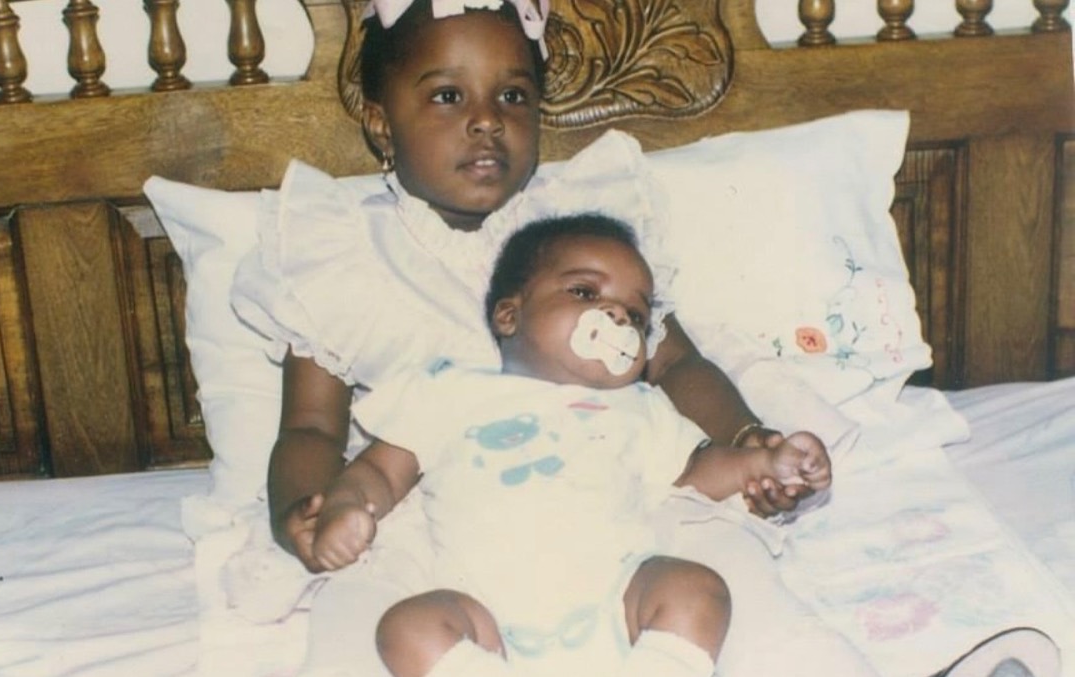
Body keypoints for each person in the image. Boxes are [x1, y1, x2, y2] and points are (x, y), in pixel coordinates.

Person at [228, 0, 1062, 674]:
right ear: (381, 122)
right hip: (429, 514)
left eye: (513, 96)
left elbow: (677, 361)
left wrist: (746, 440)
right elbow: (310, 428)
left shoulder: (584, 236)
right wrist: (307, 510)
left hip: (620, 489)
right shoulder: (339, 253)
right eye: (449, 96)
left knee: (735, 586)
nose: (486, 122)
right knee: (362, 622)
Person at [309, 213, 832, 677]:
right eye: (584, 292)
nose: (617, 316)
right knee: (406, 628)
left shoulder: (639, 407)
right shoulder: (449, 390)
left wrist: (766, 462)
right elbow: (380, 471)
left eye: (636, 314)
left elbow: (697, 471)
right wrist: (345, 507)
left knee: (697, 590)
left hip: (618, 599)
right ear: (509, 315)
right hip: (484, 616)